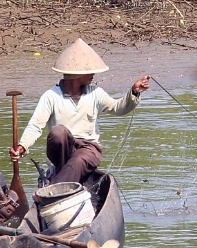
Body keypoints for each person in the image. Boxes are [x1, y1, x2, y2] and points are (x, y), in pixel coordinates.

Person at [9, 38, 150, 184]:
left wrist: (134, 92)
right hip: (62, 153)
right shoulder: (51, 96)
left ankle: (55, 188)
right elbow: (35, 126)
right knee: (58, 132)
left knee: (77, 161)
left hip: (88, 149)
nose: (93, 74)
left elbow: (117, 108)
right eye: (89, 71)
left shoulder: (96, 93)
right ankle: (62, 180)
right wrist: (22, 147)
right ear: (77, 75)